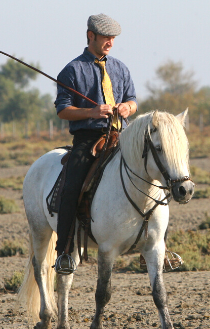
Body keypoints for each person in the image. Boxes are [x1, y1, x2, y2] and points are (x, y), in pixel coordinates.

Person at [52, 13, 137, 274]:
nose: (111, 42)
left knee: (156, 176)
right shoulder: (71, 70)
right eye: (106, 37)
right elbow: (63, 110)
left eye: (113, 38)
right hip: (88, 140)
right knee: (71, 187)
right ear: (91, 36)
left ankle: (156, 245)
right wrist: (91, 112)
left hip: (120, 137)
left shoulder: (121, 68)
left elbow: (133, 100)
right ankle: (64, 252)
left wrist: (127, 108)